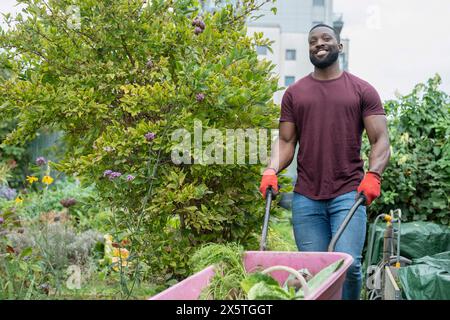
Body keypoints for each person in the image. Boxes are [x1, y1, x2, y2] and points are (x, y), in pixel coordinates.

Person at [259, 24, 391, 300]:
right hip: (306, 197)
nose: (319, 43)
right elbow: (286, 142)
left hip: (348, 195)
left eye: (326, 38)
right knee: (316, 273)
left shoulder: (361, 90)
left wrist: (373, 175)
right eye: (312, 41)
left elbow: (380, 140)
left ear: (339, 46)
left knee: (349, 266)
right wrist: (271, 169)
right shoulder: (295, 94)